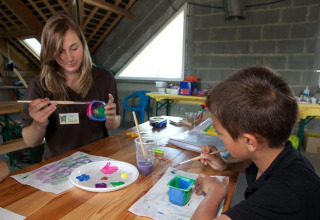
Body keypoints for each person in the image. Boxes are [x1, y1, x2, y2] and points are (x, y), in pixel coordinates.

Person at [191, 66, 320, 220]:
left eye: (220, 133)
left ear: (250, 142)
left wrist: (215, 191)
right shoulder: (284, 157)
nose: (218, 137)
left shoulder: (281, 197)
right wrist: (226, 165)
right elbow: (252, 165)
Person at [20, 13, 120, 160]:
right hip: (58, 166)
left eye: (74, 48)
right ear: (50, 51)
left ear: (83, 44)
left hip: (97, 161)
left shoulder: (104, 77)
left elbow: (114, 123)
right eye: (60, 51)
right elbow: (31, 142)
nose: (69, 58)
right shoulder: (39, 85)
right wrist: (38, 125)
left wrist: (111, 119)